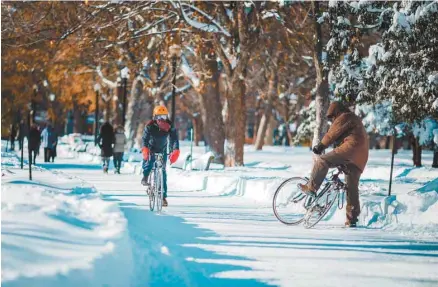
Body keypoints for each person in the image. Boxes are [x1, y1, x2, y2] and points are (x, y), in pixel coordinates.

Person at [299, 101, 369, 227]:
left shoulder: (344, 116)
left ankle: (312, 187)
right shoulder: (353, 119)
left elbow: (332, 133)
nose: (332, 120)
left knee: (322, 161)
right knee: (351, 187)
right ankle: (351, 219)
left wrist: (320, 146)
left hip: (351, 149)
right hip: (361, 157)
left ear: (336, 112)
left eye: (332, 117)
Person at [141, 106, 179, 207]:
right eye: (159, 116)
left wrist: (175, 150)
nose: (162, 119)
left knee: (162, 171)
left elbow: (174, 139)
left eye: (164, 116)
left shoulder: (169, 126)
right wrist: (145, 148)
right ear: (154, 117)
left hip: (162, 149)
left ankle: (163, 197)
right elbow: (144, 139)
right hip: (151, 148)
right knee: (148, 163)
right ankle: (145, 177)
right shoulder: (150, 126)